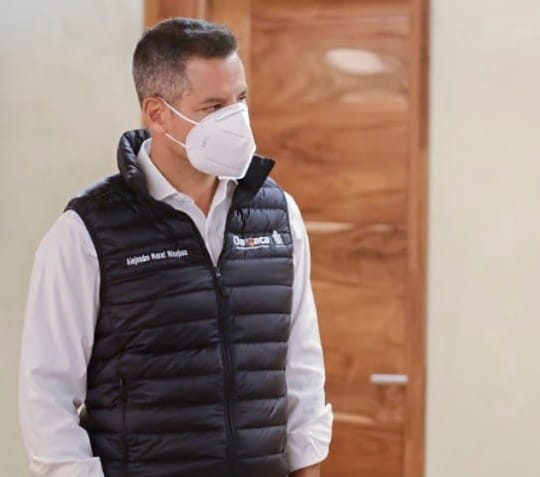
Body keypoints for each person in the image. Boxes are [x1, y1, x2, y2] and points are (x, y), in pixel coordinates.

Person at [18, 18, 332, 477]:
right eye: (214, 107)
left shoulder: (278, 214)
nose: (236, 120)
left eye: (241, 100)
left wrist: (308, 466)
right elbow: (47, 397)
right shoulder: (87, 232)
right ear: (157, 113)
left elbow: (301, 363)